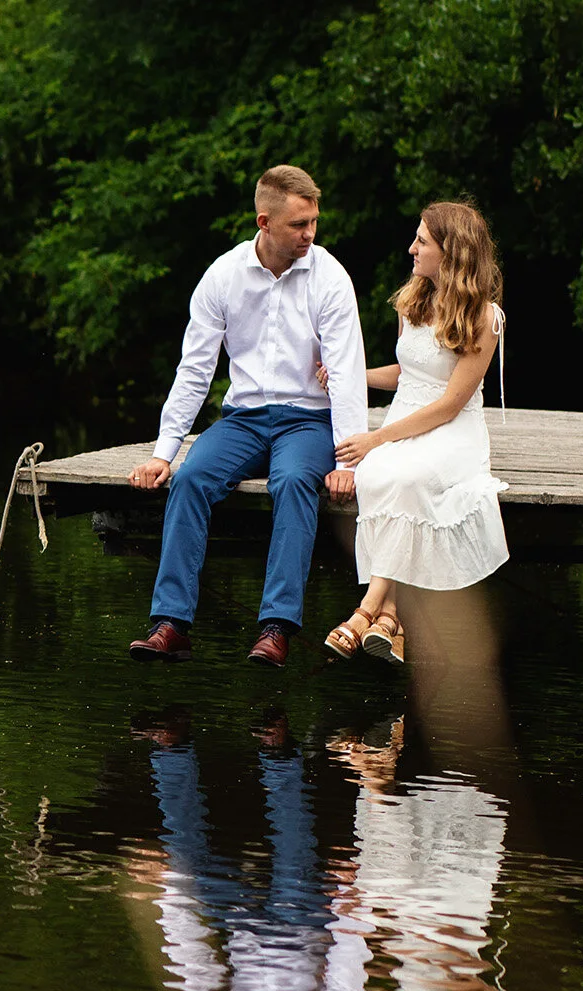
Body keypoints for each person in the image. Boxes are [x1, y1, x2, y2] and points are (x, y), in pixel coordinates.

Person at [127, 165, 369, 667]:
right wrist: (162, 453)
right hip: (244, 418)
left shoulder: (330, 277)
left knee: (293, 482)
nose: (310, 234)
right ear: (264, 222)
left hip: (308, 420)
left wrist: (347, 461)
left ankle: (276, 627)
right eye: (298, 225)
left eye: (313, 222)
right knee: (190, 478)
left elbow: (346, 372)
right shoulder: (223, 275)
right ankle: (170, 624)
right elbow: (194, 369)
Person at [321, 202, 508, 664]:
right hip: (404, 419)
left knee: (407, 479)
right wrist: (354, 375)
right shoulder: (413, 301)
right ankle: (390, 620)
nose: (412, 248)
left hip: (452, 431)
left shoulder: (485, 317)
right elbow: (408, 373)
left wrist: (375, 439)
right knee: (375, 477)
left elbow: (448, 404)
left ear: (451, 252)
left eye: (422, 241)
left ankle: (368, 608)